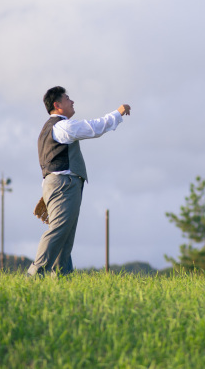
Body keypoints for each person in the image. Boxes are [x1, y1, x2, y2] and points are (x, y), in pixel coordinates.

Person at [27, 86, 131, 277]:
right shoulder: (62, 126)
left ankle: (62, 278)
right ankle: (34, 274)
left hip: (59, 184)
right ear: (57, 105)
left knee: (65, 234)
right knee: (59, 230)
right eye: (67, 98)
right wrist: (118, 113)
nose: (72, 101)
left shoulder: (49, 128)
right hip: (63, 184)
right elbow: (94, 128)